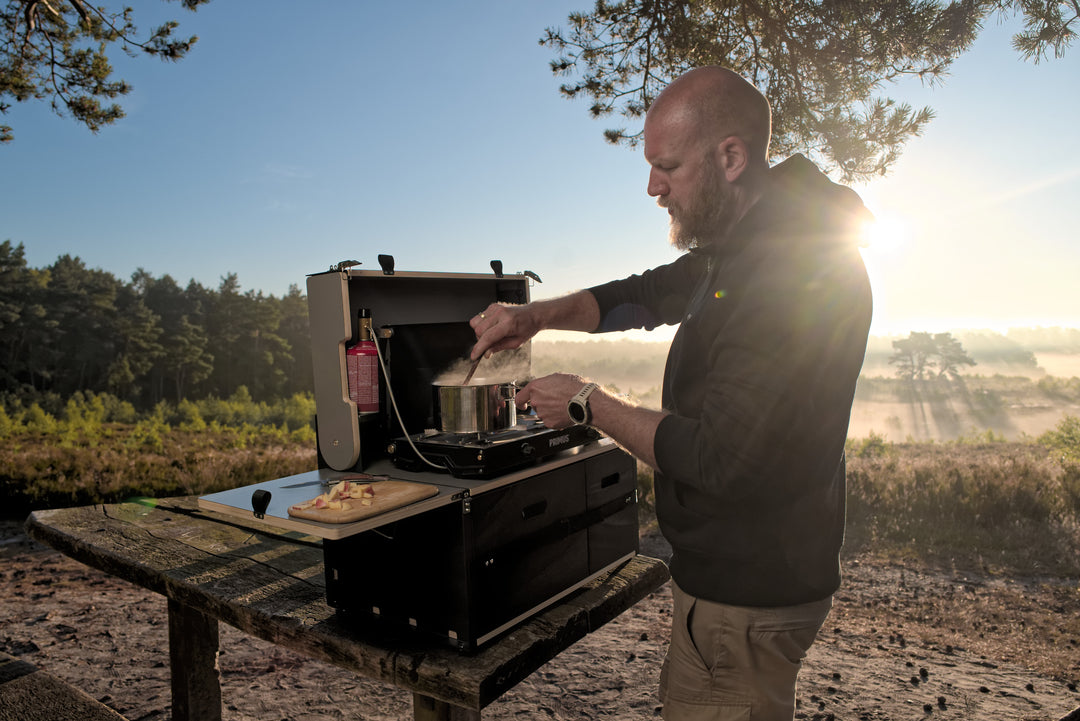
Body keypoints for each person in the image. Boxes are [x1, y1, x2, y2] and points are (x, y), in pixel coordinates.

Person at [469, 66, 872, 721]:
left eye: (668, 166)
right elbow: (646, 293)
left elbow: (721, 457)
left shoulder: (785, 273)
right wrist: (534, 316)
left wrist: (587, 402)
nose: (652, 187)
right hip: (738, 585)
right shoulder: (749, 241)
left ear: (731, 157)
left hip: (748, 591)